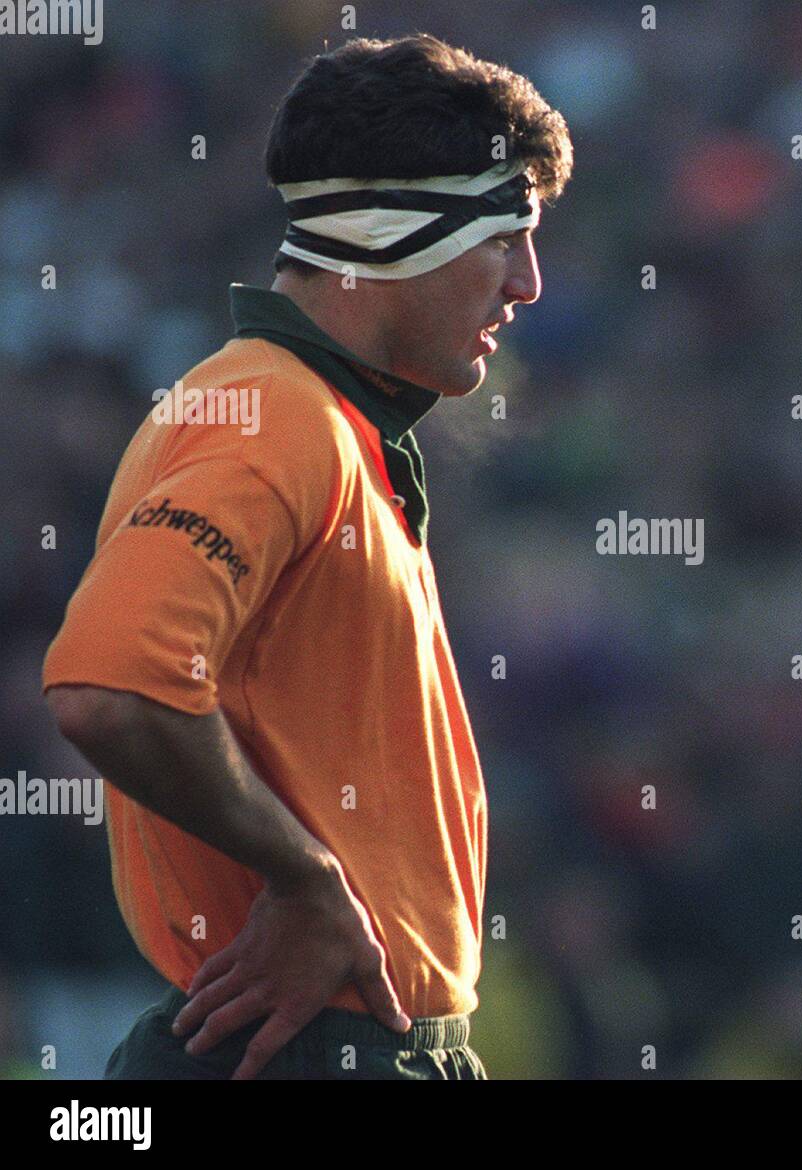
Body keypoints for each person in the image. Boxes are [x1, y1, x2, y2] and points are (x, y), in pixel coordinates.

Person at [42, 33, 572, 1080]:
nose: (530, 283)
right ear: (391, 235)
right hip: (297, 1052)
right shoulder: (271, 417)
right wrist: (304, 880)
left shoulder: (320, 420)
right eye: (505, 233)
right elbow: (109, 687)